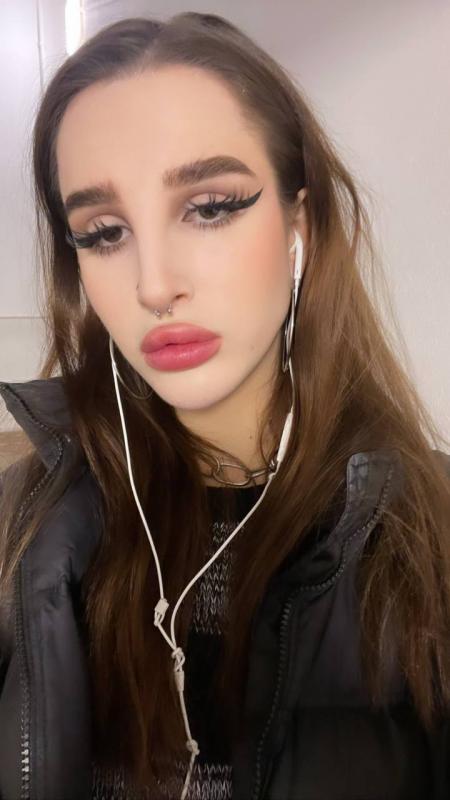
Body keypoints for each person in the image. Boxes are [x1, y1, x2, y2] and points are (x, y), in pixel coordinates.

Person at [0, 11, 449, 800]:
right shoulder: (17, 528)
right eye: (103, 232)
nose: (153, 284)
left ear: (301, 225)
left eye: (209, 207)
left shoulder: (431, 532)